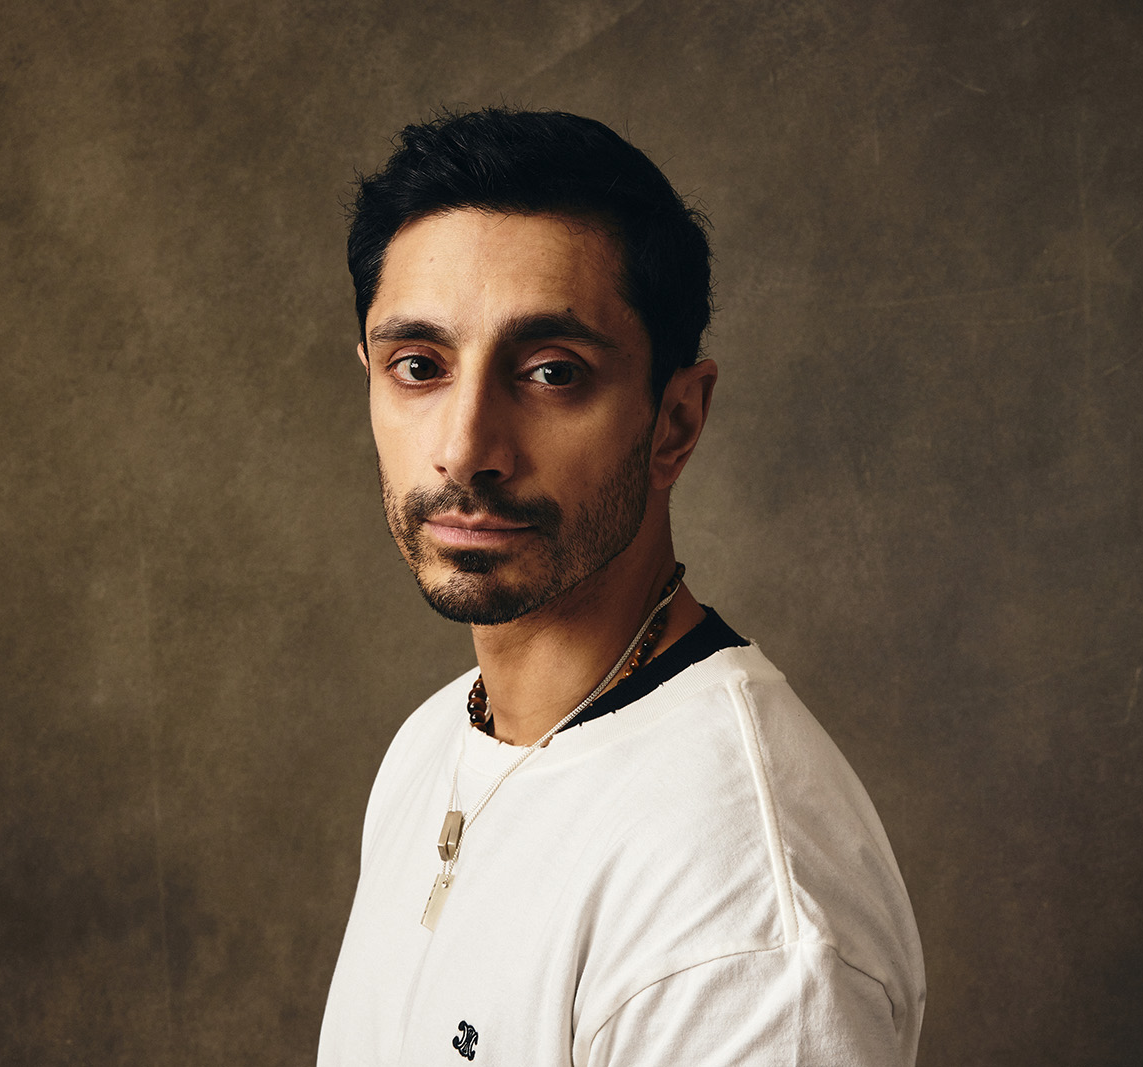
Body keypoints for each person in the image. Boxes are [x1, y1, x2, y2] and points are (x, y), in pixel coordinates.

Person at [317, 108, 925, 1067]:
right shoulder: (434, 741)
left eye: (552, 372)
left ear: (675, 421)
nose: (466, 447)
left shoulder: (742, 908)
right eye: (419, 367)